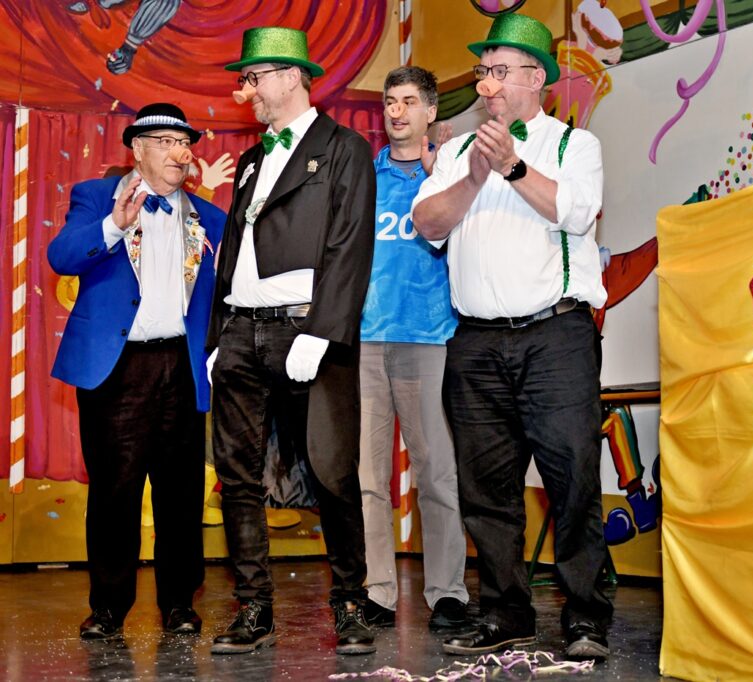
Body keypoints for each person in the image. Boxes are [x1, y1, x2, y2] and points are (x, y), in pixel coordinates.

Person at [412, 12, 613, 661]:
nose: (487, 84)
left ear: (536, 78)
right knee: (486, 489)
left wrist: (514, 167)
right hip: (474, 343)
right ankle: (506, 613)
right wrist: (476, 175)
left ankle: (585, 616)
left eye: (500, 71)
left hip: (555, 337)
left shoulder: (574, 145)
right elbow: (427, 224)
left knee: (573, 476)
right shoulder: (455, 154)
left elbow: (577, 212)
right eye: (483, 71)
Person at [206, 27, 376, 655]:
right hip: (242, 329)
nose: (244, 89)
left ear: (290, 76)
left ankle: (351, 603)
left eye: (253, 77)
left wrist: (323, 330)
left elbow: (350, 247)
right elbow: (233, 251)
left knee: (331, 471)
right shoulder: (252, 159)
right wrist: (220, 334)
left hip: (307, 329)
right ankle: (253, 609)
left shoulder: (344, 148)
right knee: (238, 475)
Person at [48, 102, 225, 639]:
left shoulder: (210, 217)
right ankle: (107, 608)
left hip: (181, 366)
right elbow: (62, 256)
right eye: (167, 142)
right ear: (138, 149)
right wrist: (114, 226)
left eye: (184, 142)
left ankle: (179, 604)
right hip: (117, 367)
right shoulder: (96, 197)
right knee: (114, 492)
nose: (180, 152)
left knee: (181, 495)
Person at [357, 65, 470, 632]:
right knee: (368, 476)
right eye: (389, 102)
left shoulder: (448, 175)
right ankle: (377, 591)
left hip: (428, 335)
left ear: (431, 111)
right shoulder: (362, 178)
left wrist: (438, 172)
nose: (396, 112)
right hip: (364, 339)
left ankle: (448, 591)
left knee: (437, 471)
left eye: (408, 101)